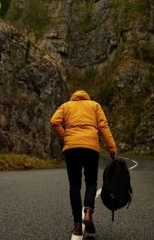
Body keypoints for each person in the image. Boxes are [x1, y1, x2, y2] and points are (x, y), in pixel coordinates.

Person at [50, 90, 117, 238]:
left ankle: (77, 226)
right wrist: (111, 148)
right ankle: (88, 212)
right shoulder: (94, 105)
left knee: (74, 185)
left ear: (73, 97)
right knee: (91, 181)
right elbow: (103, 126)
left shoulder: (65, 106)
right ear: (87, 96)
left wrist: (66, 137)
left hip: (71, 148)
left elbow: (54, 121)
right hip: (91, 148)